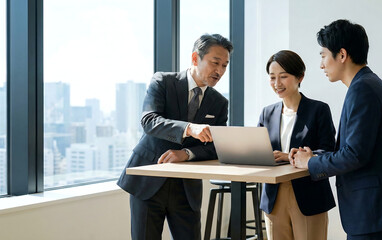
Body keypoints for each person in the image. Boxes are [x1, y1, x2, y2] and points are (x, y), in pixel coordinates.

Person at [290, 19, 382, 240]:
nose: (321, 65)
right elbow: (357, 148)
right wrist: (314, 156)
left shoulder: (362, 90)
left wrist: (310, 163)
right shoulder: (368, 85)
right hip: (379, 210)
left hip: (374, 212)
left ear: (342, 55)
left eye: (323, 56)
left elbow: (355, 155)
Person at [117, 34, 233, 240]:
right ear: (195, 58)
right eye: (215, 63)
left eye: (225, 65)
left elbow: (216, 146)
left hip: (186, 189)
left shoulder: (219, 102)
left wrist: (187, 154)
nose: (220, 71)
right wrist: (189, 128)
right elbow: (149, 121)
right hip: (149, 180)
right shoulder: (163, 81)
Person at [258, 50, 336, 240]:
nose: (277, 84)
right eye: (272, 77)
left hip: (308, 194)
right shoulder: (267, 113)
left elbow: (328, 151)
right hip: (274, 196)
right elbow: (259, 149)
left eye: (283, 77)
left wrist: (289, 157)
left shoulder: (319, 110)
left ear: (300, 76)